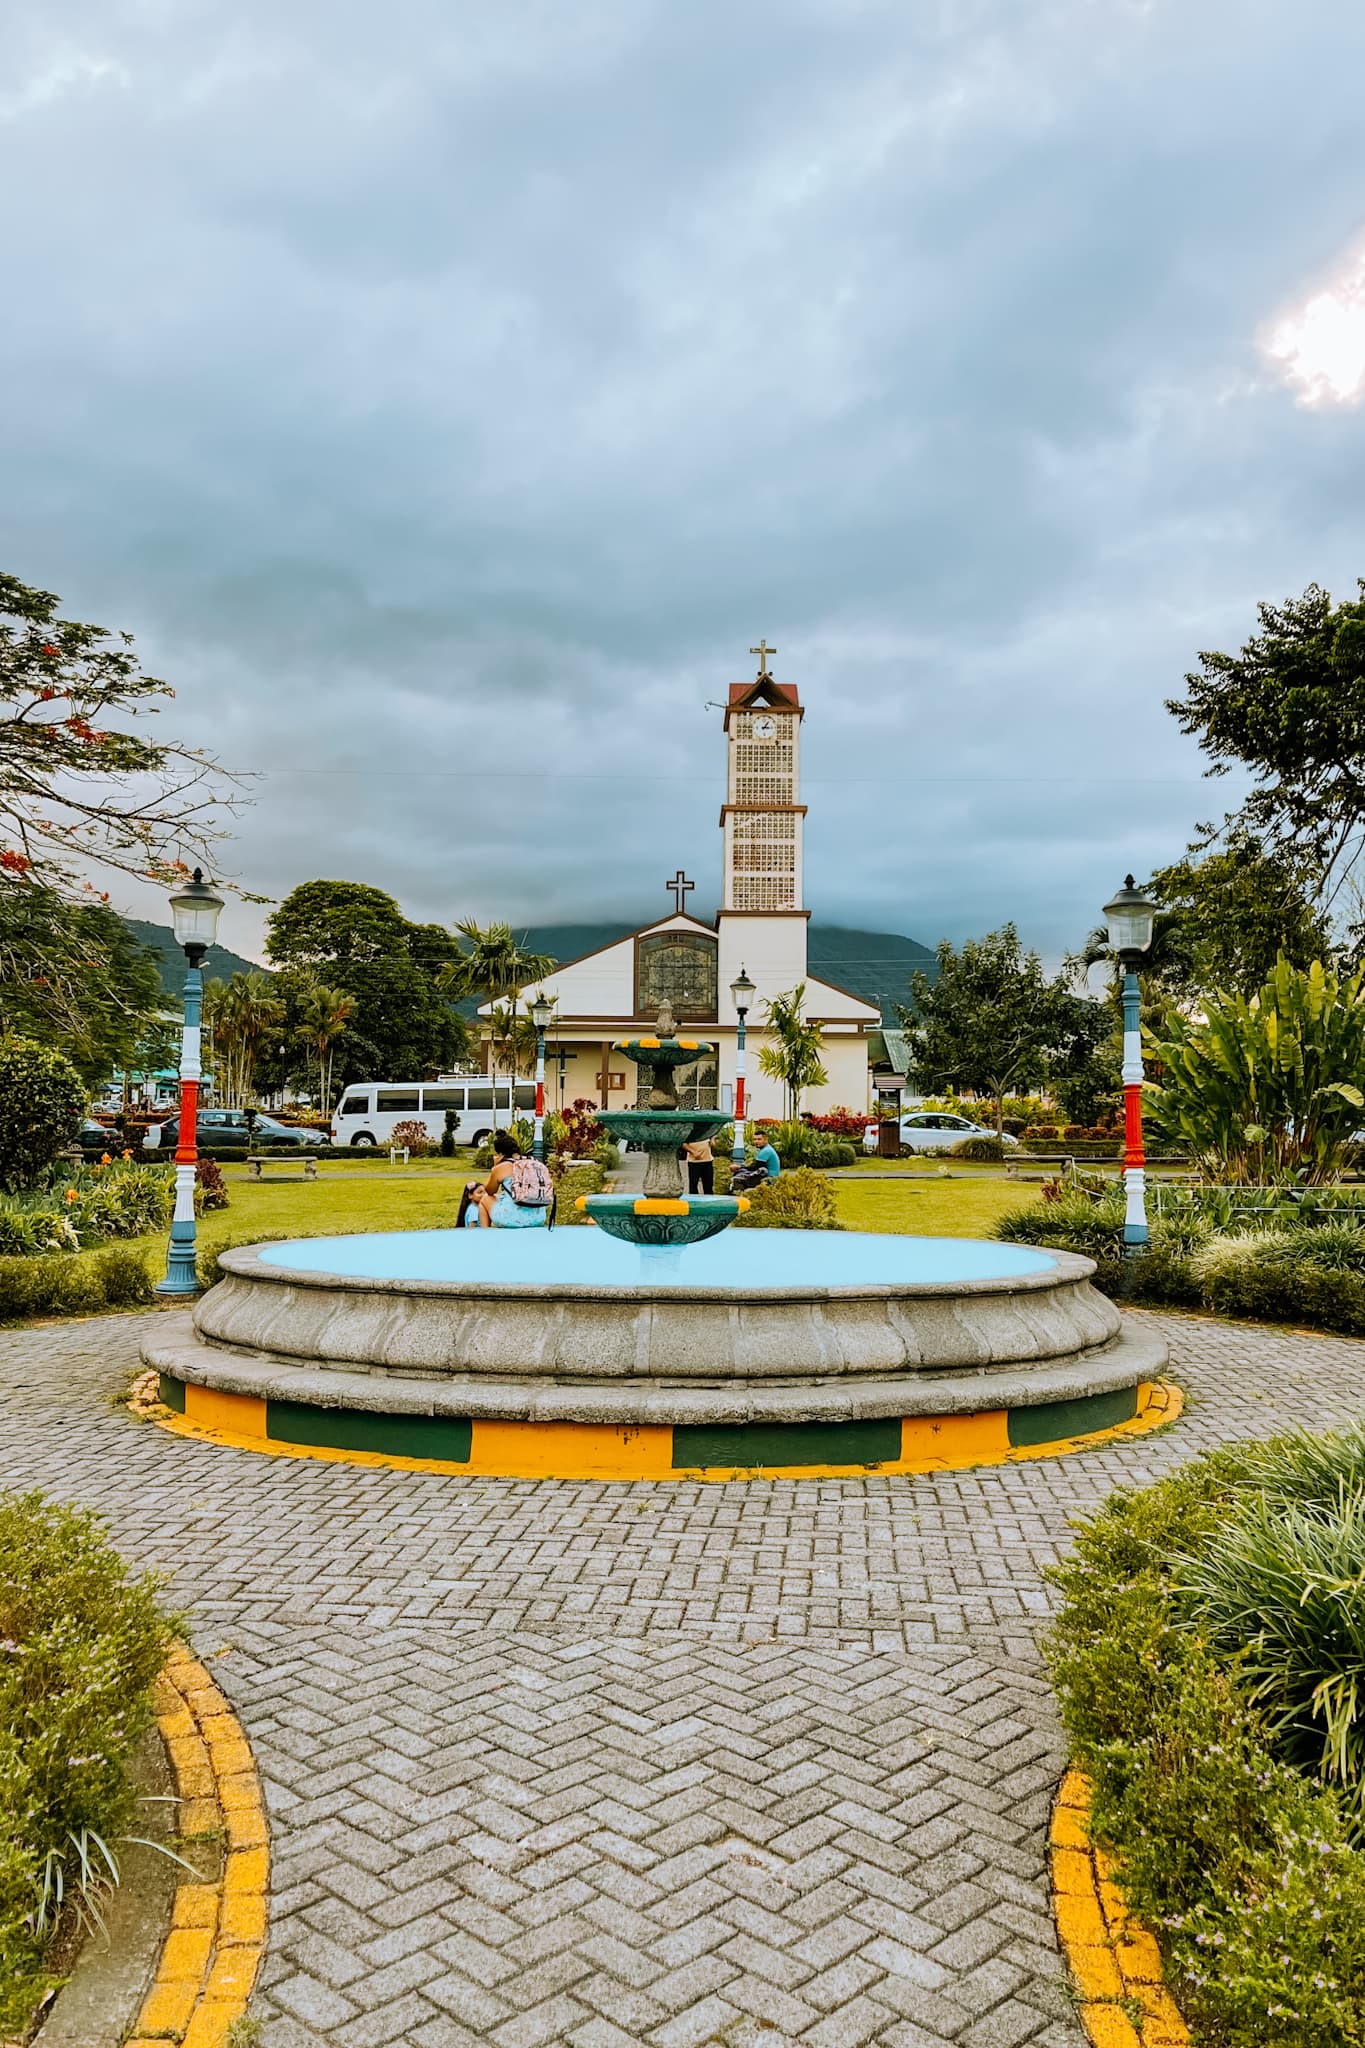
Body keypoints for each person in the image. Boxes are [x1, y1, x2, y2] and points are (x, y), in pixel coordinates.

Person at [460, 1131, 553, 1229]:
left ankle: (485, 1234)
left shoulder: (502, 1167)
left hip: (512, 1219)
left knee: (484, 1199)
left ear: (500, 1153)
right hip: (538, 1217)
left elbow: (489, 1191)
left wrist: (495, 1167)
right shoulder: (534, 1163)